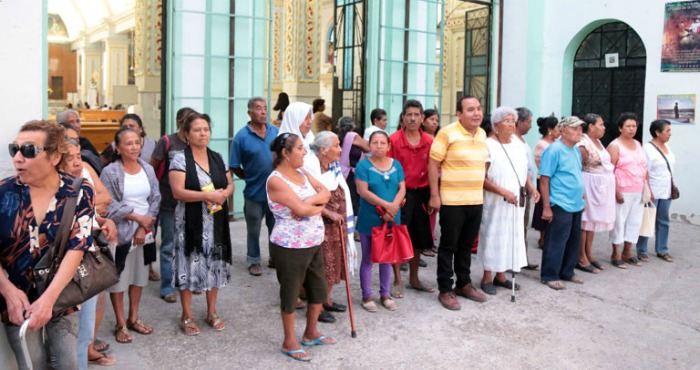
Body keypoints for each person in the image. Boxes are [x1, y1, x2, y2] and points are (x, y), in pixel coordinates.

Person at [1, 120, 94, 369]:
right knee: (32, 364)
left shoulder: (78, 191)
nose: (18, 158)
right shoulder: (4, 193)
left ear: (54, 156)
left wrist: (49, 299)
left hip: (62, 292)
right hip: (17, 300)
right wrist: (9, 292)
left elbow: (78, 247)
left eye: (29, 150)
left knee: (66, 362)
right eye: (14, 150)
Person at [266, 133, 334, 362]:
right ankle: (289, 341)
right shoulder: (275, 180)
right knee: (291, 293)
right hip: (289, 246)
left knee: (318, 289)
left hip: (314, 241)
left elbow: (326, 192)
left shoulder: (303, 173)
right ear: (286, 153)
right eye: (299, 149)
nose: (305, 152)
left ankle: (310, 332)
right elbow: (310, 208)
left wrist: (306, 203)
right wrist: (314, 205)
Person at [170, 113, 233, 336]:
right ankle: (186, 314)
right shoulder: (180, 159)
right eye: (197, 130)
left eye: (206, 129)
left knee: (214, 264)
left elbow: (229, 184)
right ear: (187, 135)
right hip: (190, 222)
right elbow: (178, 192)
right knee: (189, 265)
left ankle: (212, 312)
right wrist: (206, 197)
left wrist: (224, 194)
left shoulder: (217, 157)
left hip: (215, 221)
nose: (203, 133)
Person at [101, 128, 161, 344]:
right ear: (118, 148)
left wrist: (144, 226)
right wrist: (137, 218)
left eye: (137, 142)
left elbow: (155, 197)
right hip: (120, 234)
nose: (134, 147)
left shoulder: (147, 169)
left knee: (139, 277)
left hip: (144, 233)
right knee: (119, 279)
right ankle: (120, 323)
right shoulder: (110, 172)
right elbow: (108, 205)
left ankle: (133, 317)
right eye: (128, 143)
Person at [62, 135, 117, 367]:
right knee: (65, 332)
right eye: (70, 158)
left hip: (89, 253)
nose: (77, 162)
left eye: (78, 155)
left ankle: (86, 356)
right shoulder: (53, 185)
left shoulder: (84, 170)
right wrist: (95, 210)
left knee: (85, 326)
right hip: (64, 262)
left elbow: (107, 198)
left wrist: (95, 215)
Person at [429, 96, 488, 310]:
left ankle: (464, 283)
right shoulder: (447, 133)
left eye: (479, 109)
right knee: (448, 246)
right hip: (452, 201)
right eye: (471, 109)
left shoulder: (482, 134)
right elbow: (433, 163)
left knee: (466, 245)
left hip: (475, 199)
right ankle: (445, 289)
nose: (477, 113)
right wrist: (435, 195)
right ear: (459, 114)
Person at [478, 107, 539, 295]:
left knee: (511, 236)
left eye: (513, 120)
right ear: (496, 125)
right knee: (493, 235)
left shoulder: (519, 145)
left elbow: (523, 171)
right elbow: (481, 177)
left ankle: (501, 275)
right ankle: (487, 276)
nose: (512, 124)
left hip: (516, 200)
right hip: (496, 201)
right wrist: (503, 191)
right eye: (507, 120)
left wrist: (531, 187)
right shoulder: (488, 144)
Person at [387, 99, 435, 297]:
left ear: (422, 118)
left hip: (422, 194)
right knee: (398, 236)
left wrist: (434, 195)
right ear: (403, 118)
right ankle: (397, 280)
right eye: (409, 115)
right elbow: (387, 169)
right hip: (400, 194)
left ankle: (414, 278)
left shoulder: (430, 142)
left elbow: (435, 170)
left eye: (416, 115)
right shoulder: (394, 140)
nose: (413, 118)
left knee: (418, 238)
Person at [309, 132, 357, 324]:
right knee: (322, 268)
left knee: (334, 265)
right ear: (323, 150)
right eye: (336, 146)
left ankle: (326, 300)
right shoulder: (312, 169)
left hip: (337, 226)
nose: (340, 149)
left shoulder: (333, 166)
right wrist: (329, 214)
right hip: (321, 227)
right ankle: (317, 307)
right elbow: (307, 200)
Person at [356, 131, 406, 312]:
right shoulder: (363, 166)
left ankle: (385, 294)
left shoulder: (396, 164)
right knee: (368, 258)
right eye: (374, 142)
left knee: (387, 258)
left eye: (382, 143)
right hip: (370, 217)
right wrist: (387, 206)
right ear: (369, 145)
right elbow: (363, 191)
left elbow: (402, 188)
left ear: (388, 146)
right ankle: (366, 296)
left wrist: (393, 208)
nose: (378, 146)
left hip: (392, 218)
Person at [149, 107, 195, 303]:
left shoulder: (196, 143)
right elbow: (152, 168)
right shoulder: (167, 142)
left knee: (189, 245)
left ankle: (185, 281)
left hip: (193, 203)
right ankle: (167, 286)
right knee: (169, 245)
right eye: (186, 120)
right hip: (169, 201)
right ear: (178, 122)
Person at [230, 97, 279, 276]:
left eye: (265, 108)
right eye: (258, 108)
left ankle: (275, 258)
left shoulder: (276, 131)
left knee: (276, 228)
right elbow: (234, 165)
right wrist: (248, 177)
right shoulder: (241, 137)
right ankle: (253, 260)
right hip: (253, 193)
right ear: (250, 112)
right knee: (254, 229)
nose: (263, 112)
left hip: (275, 193)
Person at [539, 116, 586, 290]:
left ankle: (567, 271)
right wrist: (546, 206)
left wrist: (583, 196)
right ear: (564, 130)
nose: (579, 132)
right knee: (557, 240)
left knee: (573, 240)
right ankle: (550, 275)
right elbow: (544, 179)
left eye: (580, 129)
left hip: (575, 202)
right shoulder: (554, 150)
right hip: (559, 202)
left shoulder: (575, 150)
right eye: (575, 129)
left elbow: (576, 174)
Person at [607, 113, 648, 269]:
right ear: (620, 128)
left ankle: (628, 251)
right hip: (622, 189)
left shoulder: (637, 144)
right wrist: (616, 190)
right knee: (619, 221)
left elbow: (644, 167)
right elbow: (609, 170)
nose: (632, 129)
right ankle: (616, 253)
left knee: (634, 221)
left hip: (638, 188)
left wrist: (647, 187)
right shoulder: (615, 145)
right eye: (628, 126)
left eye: (634, 126)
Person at [577, 113, 615, 273]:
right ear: (591, 126)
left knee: (592, 222)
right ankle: (580, 257)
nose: (604, 127)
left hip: (601, 186)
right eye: (601, 124)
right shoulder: (583, 143)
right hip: (589, 184)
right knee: (585, 221)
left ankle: (588, 253)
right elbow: (578, 166)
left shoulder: (598, 141)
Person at [637, 119, 676, 263]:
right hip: (653, 189)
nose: (670, 134)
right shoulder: (648, 148)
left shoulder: (667, 147)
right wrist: (648, 190)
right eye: (667, 131)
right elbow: (644, 170)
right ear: (657, 132)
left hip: (666, 190)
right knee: (647, 219)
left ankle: (662, 250)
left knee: (663, 221)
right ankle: (641, 250)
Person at [514, 107, 539, 270]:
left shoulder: (522, 140)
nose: (531, 126)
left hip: (526, 188)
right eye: (528, 122)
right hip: (517, 189)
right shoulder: (512, 141)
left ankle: (522, 257)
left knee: (523, 225)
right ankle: (514, 259)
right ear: (520, 122)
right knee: (516, 225)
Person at [531, 116, 560, 248]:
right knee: (543, 207)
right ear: (550, 130)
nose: (559, 131)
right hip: (544, 179)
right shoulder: (542, 145)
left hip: (553, 180)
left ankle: (548, 236)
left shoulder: (553, 144)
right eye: (557, 128)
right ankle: (543, 238)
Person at [338, 116, 370, 215]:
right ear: (353, 125)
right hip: (352, 174)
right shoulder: (353, 135)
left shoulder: (340, 136)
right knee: (355, 201)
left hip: (342, 172)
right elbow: (368, 147)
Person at [56, 109, 102, 174]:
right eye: (71, 122)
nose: (76, 125)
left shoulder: (85, 142)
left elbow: (98, 163)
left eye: (78, 121)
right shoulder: (58, 151)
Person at [421, 109, 440, 255]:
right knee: (425, 211)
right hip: (424, 179)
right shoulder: (422, 138)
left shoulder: (439, 138)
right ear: (424, 120)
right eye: (431, 119)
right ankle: (425, 243)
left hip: (438, 177)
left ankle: (431, 239)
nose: (434, 122)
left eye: (436, 120)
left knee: (433, 211)